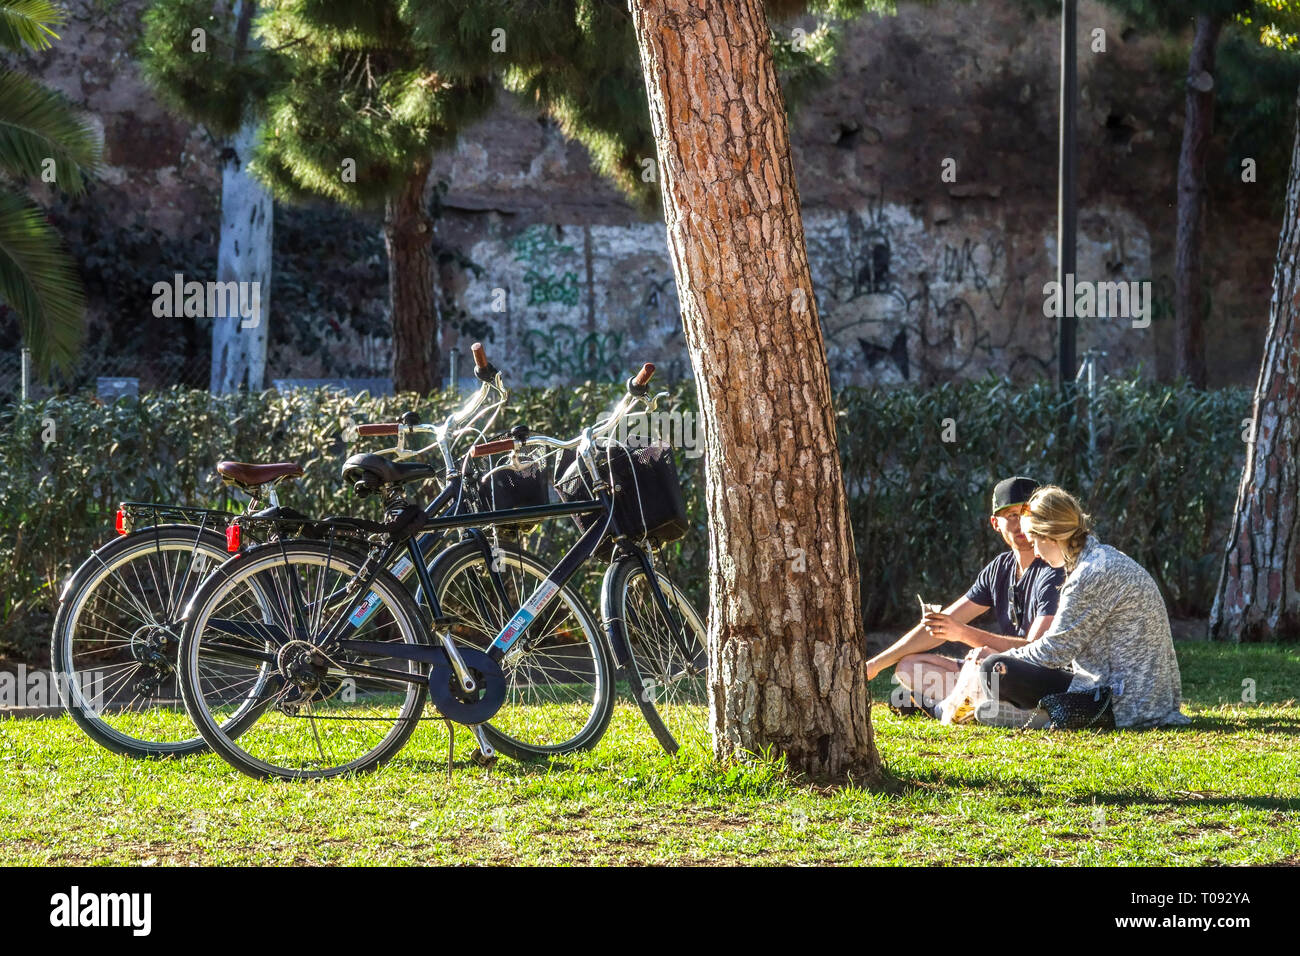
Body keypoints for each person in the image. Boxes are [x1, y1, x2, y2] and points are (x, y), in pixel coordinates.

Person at [979, 486, 1191, 729]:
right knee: (999, 668)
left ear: (1049, 535)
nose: (1036, 552)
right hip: (1146, 699)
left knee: (994, 669)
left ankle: (1050, 716)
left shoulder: (1089, 574)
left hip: (1121, 704)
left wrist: (1002, 656)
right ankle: (1044, 713)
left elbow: (1054, 652)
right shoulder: (1102, 559)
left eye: (1035, 541)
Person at [866, 476, 1065, 713]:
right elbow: (940, 626)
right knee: (908, 667)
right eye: (1011, 515)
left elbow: (1037, 650)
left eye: (1026, 513)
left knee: (990, 663)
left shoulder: (1055, 567)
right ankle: (975, 704)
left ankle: (946, 707)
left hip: (1034, 676)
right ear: (994, 523)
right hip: (1001, 673)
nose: (1020, 523)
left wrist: (961, 633)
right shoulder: (1000, 568)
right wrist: (875, 665)